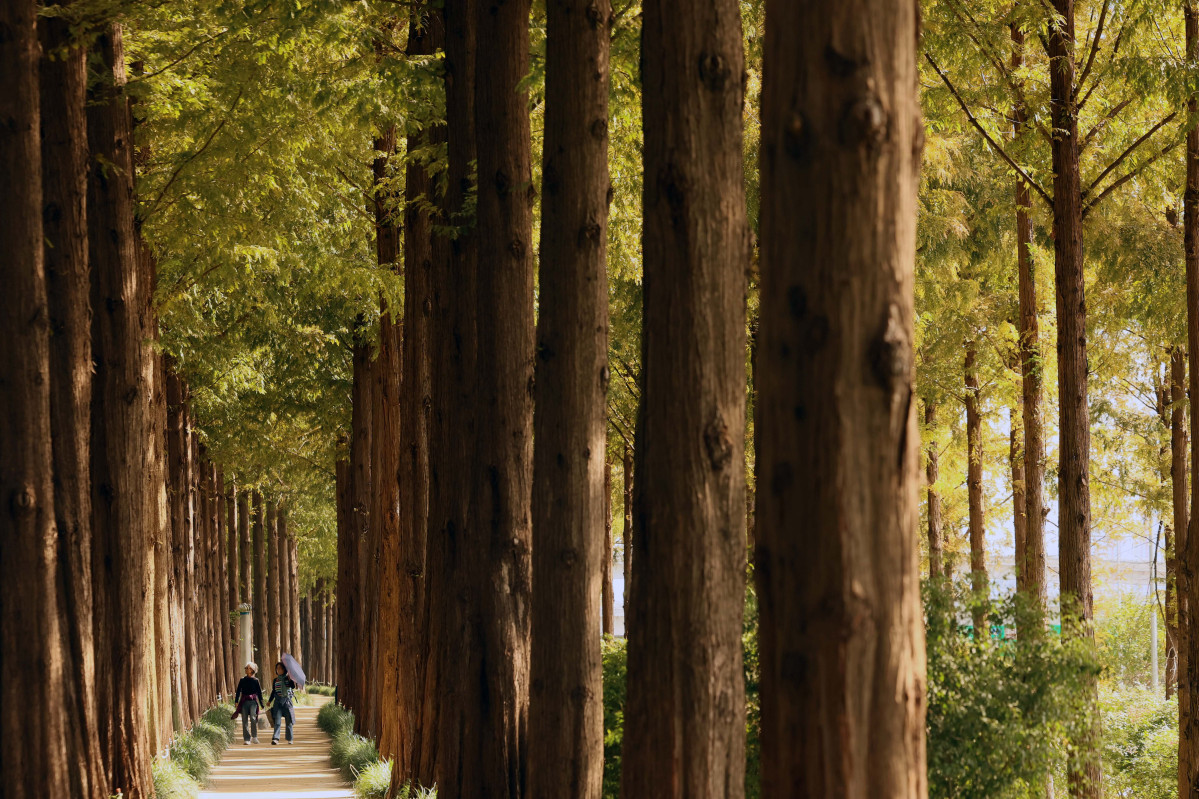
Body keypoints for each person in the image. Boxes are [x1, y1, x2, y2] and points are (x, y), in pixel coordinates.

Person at [233, 662, 264, 745]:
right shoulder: (242, 680)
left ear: (253, 670)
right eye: (246, 668)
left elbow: (259, 693)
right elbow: (238, 691)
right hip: (244, 701)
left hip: (253, 702)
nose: (247, 669)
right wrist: (236, 701)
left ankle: (254, 737)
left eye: (249, 668)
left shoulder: (256, 680)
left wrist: (262, 704)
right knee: (244, 720)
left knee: (253, 718)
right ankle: (247, 738)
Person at [267, 661, 298, 745]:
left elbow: (292, 686)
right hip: (277, 702)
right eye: (277, 668)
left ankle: (290, 738)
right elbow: (274, 691)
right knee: (277, 721)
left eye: (280, 668)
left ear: (284, 669)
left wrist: (290, 678)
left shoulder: (289, 678)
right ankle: (275, 738)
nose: (278, 670)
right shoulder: (275, 680)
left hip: (287, 702)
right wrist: (269, 701)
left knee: (289, 722)